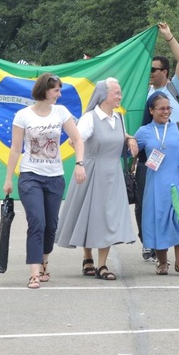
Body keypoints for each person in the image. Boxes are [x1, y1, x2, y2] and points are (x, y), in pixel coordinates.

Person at [3, 73, 86, 289]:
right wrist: (8, 177)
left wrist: (79, 163)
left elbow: (77, 138)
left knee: (51, 226)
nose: (59, 94)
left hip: (55, 177)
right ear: (44, 90)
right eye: (56, 90)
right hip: (30, 176)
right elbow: (15, 148)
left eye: (60, 90)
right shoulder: (23, 115)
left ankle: (44, 261)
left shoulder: (61, 112)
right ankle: (34, 272)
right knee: (37, 222)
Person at [55, 78, 137, 280]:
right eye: (116, 93)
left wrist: (130, 138)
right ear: (103, 95)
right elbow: (76, 141)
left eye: (120, 92)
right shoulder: (90, 118)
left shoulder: (119, 119)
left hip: (113, 174)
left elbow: (119, 135)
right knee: (90, 215)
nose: (120, 96)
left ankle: (102, 264)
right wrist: (81, 163)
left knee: (108, 217)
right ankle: (87, 256)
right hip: (91, 172)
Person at [135, 23, 179, 262]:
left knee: (174, 203)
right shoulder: (142, 92)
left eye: (155, 69)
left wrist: (169, 38)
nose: (150, 72)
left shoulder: (175, 88)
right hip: (151, 156)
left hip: (175, 157)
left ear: (165, 72)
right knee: (145, 202)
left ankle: (172, 248)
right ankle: (150, 243)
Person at [134, 92, 179, 276]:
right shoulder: (144, 131)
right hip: (155, 186)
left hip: (177, 182)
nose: (166, 111)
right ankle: (162, 263)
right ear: (151, 111)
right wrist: (129, 141)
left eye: (169, 108)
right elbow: (131, 151)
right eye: (161, 108)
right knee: (158, 222)